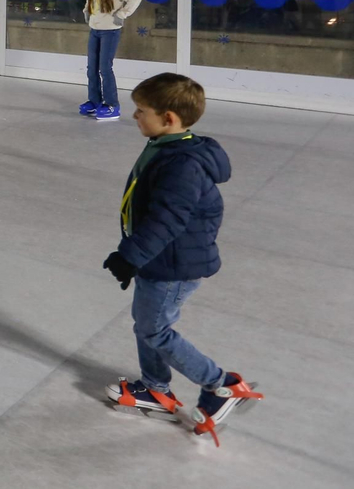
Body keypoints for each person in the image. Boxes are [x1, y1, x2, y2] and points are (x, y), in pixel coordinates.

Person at [102, 73, 261, 444]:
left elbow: (167, 219)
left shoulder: (182, 164)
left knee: (154, 328)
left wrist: (130, 255)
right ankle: (156, 388)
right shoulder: (170, 145)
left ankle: (221, 386)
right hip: (160, 258)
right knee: (146, 323)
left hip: (173, 263)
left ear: (169, 118)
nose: (135, 117)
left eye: (142, 111)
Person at [80, 0, 142, 122]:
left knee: (105, 68)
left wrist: (122, 14)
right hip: (95, 31)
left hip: (110, 32)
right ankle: (94, 101)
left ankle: (112, 105)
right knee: (91, 68)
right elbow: (90, 1)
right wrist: (86, 11)